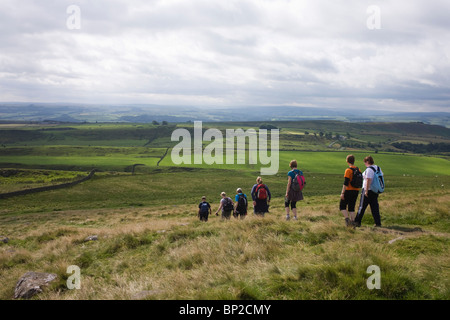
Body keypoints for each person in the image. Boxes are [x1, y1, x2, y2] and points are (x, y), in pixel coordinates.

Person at [354, 156, 382, 227]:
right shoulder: (378, 168)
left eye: (365, 162)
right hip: (375, 190)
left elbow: (368, 180)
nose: (364, 164)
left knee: (362, 207)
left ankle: (357, 222)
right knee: (374, 207)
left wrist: (366, 191)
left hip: (368, 189)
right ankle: (378, 222)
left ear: (367, 162)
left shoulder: (369, 169)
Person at [339, 155, 361, 227]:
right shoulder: (358, 170)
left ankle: (347, 220)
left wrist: (342, 193)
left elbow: (346, 182)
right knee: (351, 207)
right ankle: (353, 222)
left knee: (342, 206)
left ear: (347, 161)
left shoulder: (348, 170)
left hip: (348, 190)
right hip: (356, 190)